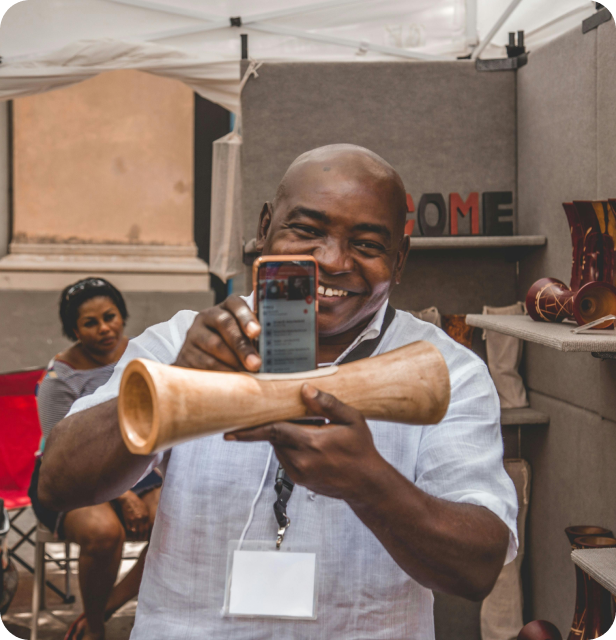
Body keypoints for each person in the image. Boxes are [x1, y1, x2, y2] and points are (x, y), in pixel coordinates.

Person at [38, 145, 518, 640]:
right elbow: (58, 484)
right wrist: (174, 386)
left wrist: (369, 483)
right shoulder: (181, 342)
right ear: (265, 226)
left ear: (399, 261)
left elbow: (476, 569)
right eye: (307, 231)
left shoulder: (447, 370)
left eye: (368, 245)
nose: (331, 260)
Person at [29, 278, 161, 640]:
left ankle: (104, 607)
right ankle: (96, 630)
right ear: (74, 330)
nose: (105, 328)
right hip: (71, 477)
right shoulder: (60, 377)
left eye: (111, 316)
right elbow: (60, 457)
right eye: (91, 322)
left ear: (122, 316)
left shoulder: (144, 355)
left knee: (178, 516)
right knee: (104, 534)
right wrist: (125, 495)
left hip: (139, 467)